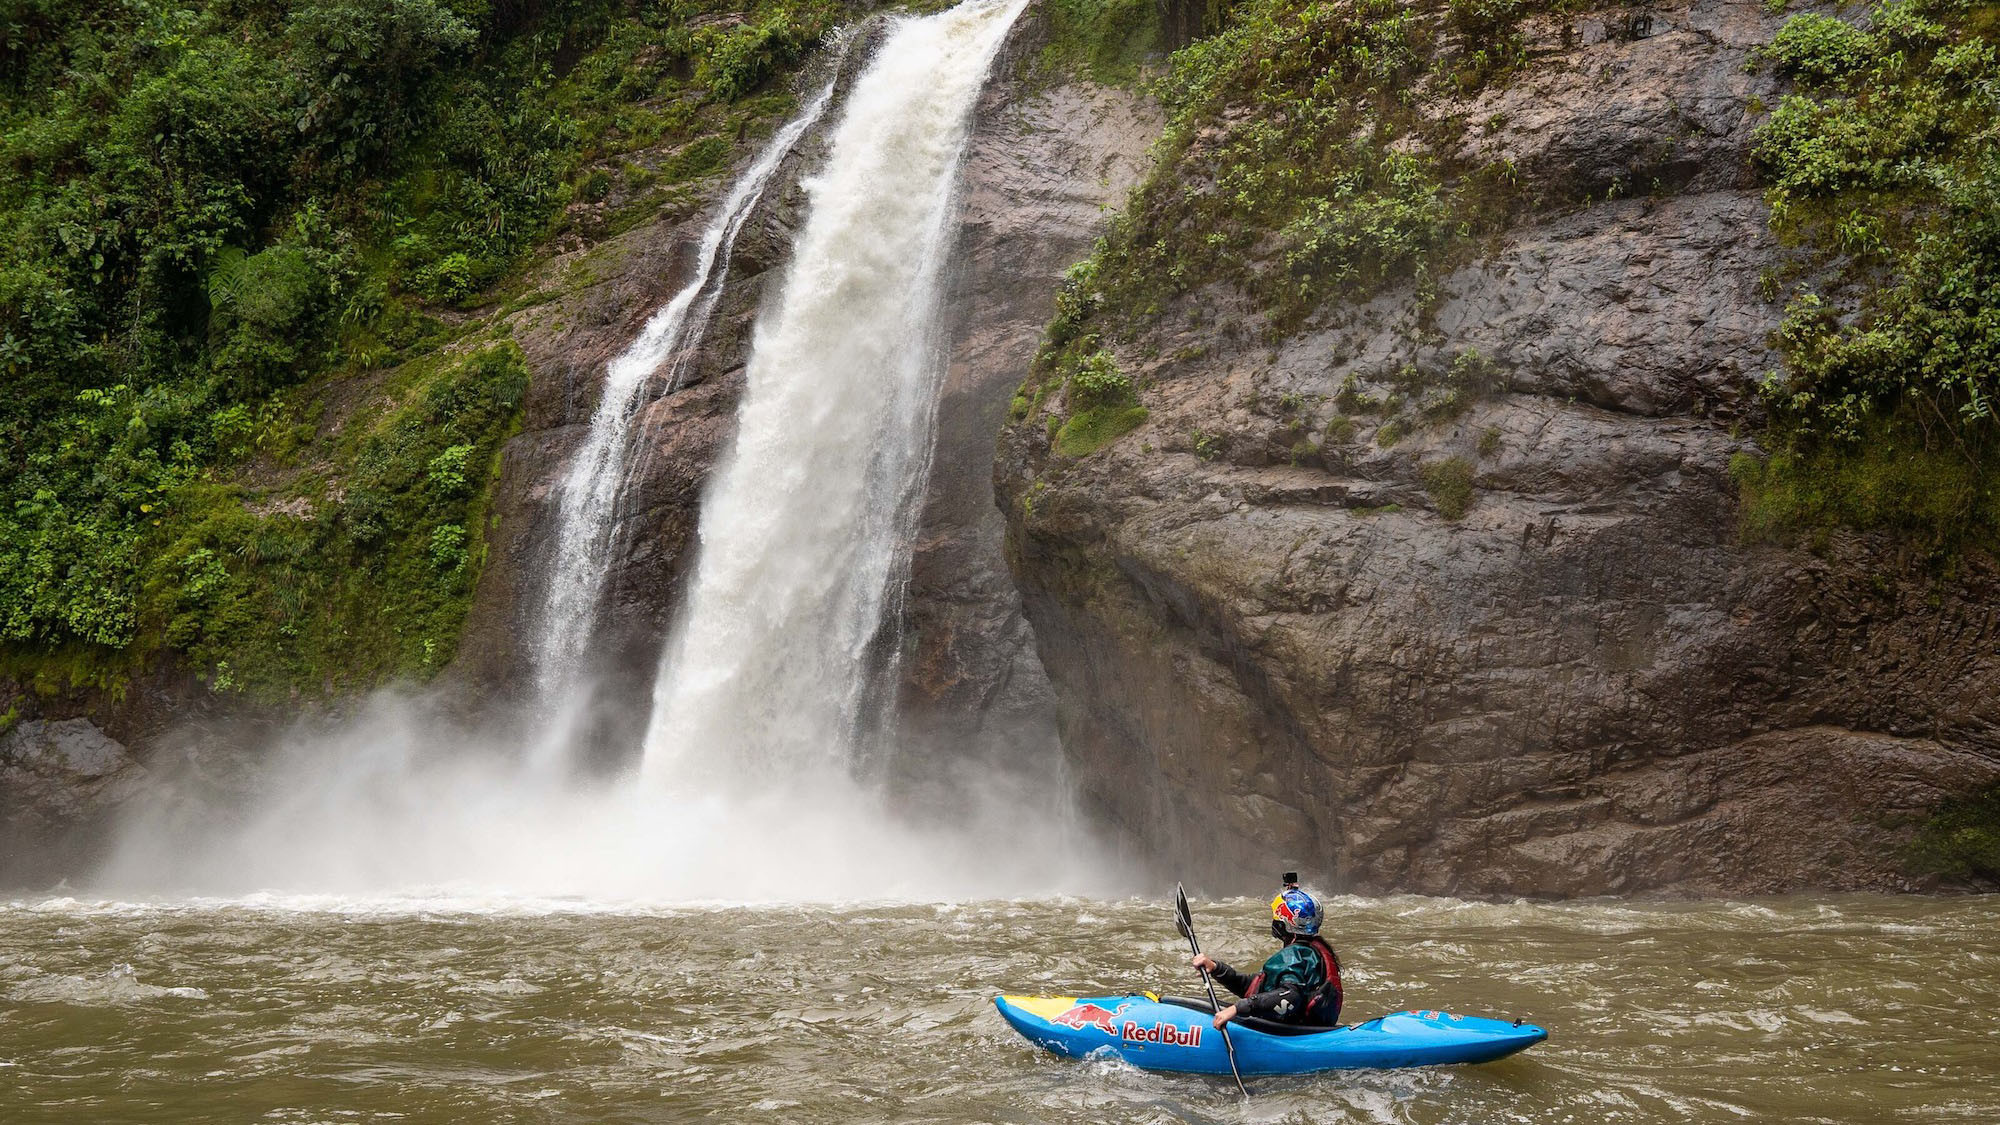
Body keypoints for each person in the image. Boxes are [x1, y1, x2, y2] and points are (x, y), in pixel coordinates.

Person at [1189, 880, 1343, 1030]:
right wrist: (1216, 968)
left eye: (1276, 919)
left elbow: (1290, 996)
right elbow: (1251, 987)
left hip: (1289, 1034)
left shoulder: (1294, 955)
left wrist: (1238, 1008)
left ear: (1285, 924)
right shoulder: (1311, 952)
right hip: (1307, 1029)